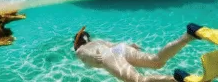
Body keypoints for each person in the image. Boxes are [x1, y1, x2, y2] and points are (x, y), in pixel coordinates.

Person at [74, 23, 215, 82]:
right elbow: (114, 45)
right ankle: (188, 36)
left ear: (78, 43)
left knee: (139, 80)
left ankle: (177, 79)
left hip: (107, 56)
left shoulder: (80, 49)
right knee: (156, 61)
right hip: (120, 48)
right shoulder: (98, 42)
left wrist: (91, 56)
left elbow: (82, 54)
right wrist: (129, 45)